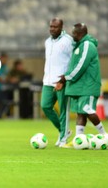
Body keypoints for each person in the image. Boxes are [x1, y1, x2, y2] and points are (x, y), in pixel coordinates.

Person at [55, 23, 106, 137]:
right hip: (80, 86)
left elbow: (80, 66)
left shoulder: (87, 45)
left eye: (73, 33)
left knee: (87, 110)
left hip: (88, 85)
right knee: (80, 113)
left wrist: (66, 78)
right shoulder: (79, 45)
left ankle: (104, 135)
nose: (72, 35)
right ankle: (79, 138)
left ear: (78, 34)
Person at [41, 18, 74, 147]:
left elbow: (73, 60)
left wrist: (65, 78)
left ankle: (63, 138)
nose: (52, 29)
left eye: (55, 27)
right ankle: (63, 130)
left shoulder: (68, 41)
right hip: (48, 81)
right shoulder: (47, 42)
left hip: (62, 81)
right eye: (51, 26)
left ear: (61, 27)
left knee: (63, 109)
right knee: (45, 106)